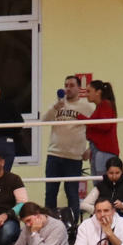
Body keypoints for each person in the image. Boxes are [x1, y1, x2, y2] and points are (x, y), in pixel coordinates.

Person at [38, 76, 93, 223]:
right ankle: (49, 225)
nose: (68, 88)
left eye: (71, 85)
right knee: (50, 193)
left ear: (77, 88)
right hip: (54, 154)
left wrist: (90, 148)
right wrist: (55, 107)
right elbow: (43, 121)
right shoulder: (58, 104)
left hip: (74, 158)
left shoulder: (86, 107)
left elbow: (95, 129)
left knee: (72, 194)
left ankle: (73, 227)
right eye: (66, 85)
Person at [85, 80, 120, 177]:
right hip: (99, 150)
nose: (86, 95)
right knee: (99, 184)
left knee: (102, 184)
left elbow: (105, 125)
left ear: (98, 92)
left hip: (104, 151)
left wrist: (80, 117)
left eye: (89, 91)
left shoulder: (105, 105)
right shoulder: (100, 107)